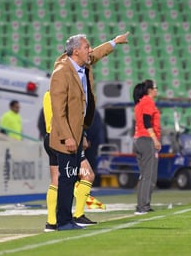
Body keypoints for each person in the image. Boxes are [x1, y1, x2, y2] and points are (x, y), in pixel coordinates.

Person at [49, 31, 130, 230]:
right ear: (76, 51)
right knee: (67, 179)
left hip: (77, 134)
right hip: (65, 137)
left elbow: (97, 54)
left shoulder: (81, 63)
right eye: (86, 47)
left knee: (72, 177)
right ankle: (63, 221)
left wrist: (115, 42)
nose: (90, 50)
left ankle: (69, 218)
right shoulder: (62, 73)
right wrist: (68, 137)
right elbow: (58, 111)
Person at [42, 91, 104, 232]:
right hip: (64, 138)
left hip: (49, 137)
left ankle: (51, 222)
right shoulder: (64, 95)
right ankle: (77, 215)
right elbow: (69, 118)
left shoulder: (48, 94)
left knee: (55, 180)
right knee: (87, 175)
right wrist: (82, 136)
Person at [132, 80, 161, 215]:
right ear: (150, 90)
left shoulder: (139, 103)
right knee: (148, 176)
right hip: (146, 139)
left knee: (144, 175)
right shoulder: (148, 101)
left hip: (138, 139)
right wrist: (154, 139)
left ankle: (142, 205)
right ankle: (143, 206)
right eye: (155, 88)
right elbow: (147, 121)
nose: (157, 90)